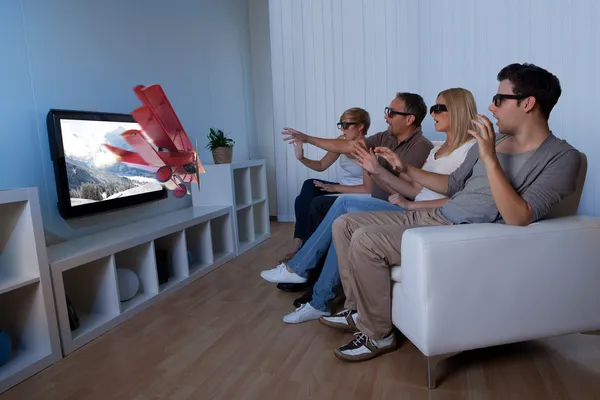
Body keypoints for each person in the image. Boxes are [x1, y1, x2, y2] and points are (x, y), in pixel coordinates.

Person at [323, 63, 582, 362]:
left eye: (499, 99)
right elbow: (453, 184)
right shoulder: (495, 141)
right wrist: (405, 168)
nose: (491, 107)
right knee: (344, 225)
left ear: (527, 103)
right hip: (438, 214)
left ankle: (378, 335)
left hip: (458, 230)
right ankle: (358, 310)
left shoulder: (562, 158)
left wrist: (490, 158)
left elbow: (520, 216)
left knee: (368, 240)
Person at [261, 88, 478, 323]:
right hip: (406, 206)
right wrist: (307, 140)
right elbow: (415, 188)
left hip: (417, 212)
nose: (385, 116)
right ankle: (322, 299)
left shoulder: (434, 147)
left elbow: (454, 195)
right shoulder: (432, 148)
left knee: (342, 205)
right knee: (338, 220)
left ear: (409, 118)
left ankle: (302, 273)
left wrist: (393, 185)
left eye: (439, 108)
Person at [283, 107, 371, 260]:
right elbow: (321, 165)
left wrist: (335, 188)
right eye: (340, 124)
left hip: (358, 191)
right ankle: (298, 243)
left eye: (346, 125)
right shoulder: (341, 141)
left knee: (307, 201)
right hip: (341, 186)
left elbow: (368, 188)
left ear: (360, 126)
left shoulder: (368, 146)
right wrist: (301, 158)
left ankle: (308, 251)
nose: (342, 129)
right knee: (309, 185)